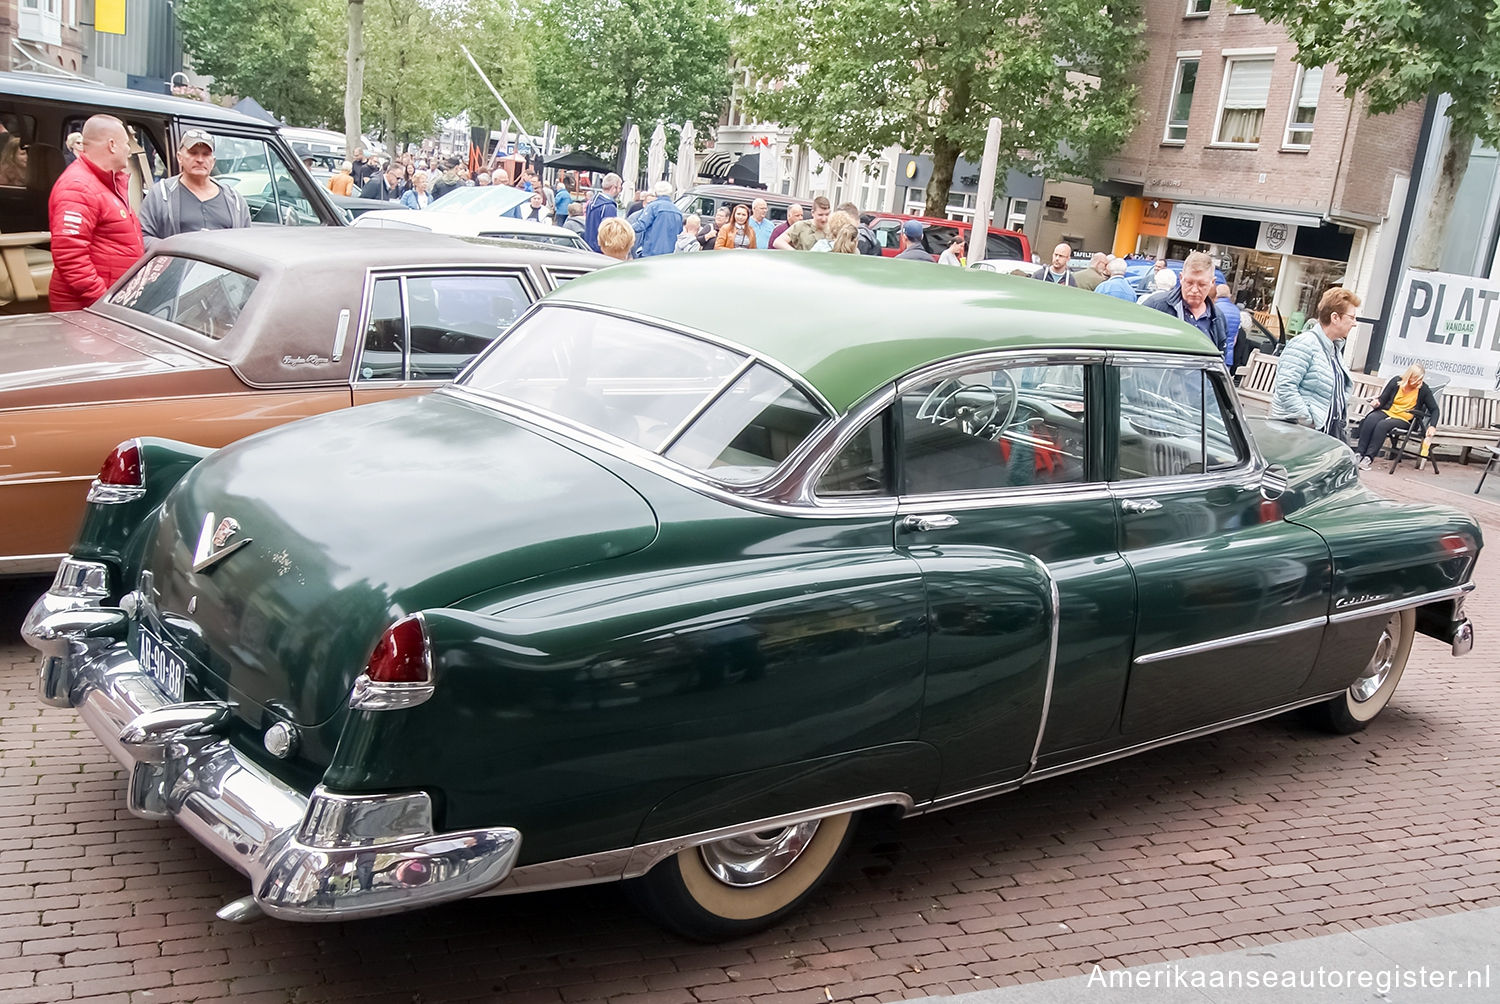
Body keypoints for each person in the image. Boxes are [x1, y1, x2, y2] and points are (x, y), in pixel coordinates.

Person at [47, 114, 144, 311]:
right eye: (126, 143)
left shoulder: (105, 183)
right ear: (112, 145)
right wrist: (102, 301)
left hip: (106, 301)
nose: (129, 150)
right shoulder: (79, 186)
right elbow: (70, 256)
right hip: (87, 308)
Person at [1270, 286, 1360, 440]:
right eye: (1351, 317)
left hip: (1325, 434)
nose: (1355, 323)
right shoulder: (1304, 343)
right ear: (1335, 317)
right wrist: (1309, 420)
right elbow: (1285, 386)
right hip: (1299, 435)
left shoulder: (1334, 349)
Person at [139, 129, 252, 248]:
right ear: (179, 157)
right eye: (193, 153)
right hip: (178, 265)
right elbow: (143, 238)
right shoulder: (161, 195)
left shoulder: (234, 201)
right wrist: (172, 248)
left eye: (205, 154)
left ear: (213, 161)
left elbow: (246, 242)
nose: (200, 159)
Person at [1353, 364, 1440, 470]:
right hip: (1389, 411)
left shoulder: (1423, 389)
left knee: (1382, 425)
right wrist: (1377, 403)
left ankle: (1368, 457)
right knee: (1371, 418)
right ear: (1409, 376)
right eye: (1416, 378)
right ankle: (1359, 453)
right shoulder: (1396, 382)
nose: (1418, 382)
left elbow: (1435, 409)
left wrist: (1432, 426)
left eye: (1420, 379)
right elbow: (1383, 399)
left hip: (1405, 419)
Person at [1141, 252, 1226, 355]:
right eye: (1189, 283)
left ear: (1212, 283)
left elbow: (1220, 357)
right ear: (1181, 278)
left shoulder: (1218, 318)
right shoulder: (1155, 306)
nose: (1194, 290)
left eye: (1202, 284)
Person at [631, 181, 684, 256]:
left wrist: (626, 228)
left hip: (651, 252)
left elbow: (641, 225)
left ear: (655, 192)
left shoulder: (653, 207)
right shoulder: (678, 211)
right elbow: (680, 232)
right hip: (670, 254)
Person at [583, 172, 621, 253]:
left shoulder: (592, 202)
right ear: (614, 187)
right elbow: (609, 233)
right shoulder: (608, 206)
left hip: (588, 246)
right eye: (620, 188)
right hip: (601, 250)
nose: (619, 191)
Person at [1215, 283, 1241, 371]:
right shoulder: (1236, 310)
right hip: (1228, 355)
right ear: (1229, 295)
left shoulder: (1214, 308)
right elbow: (1235, 338)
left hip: (1214, 353)